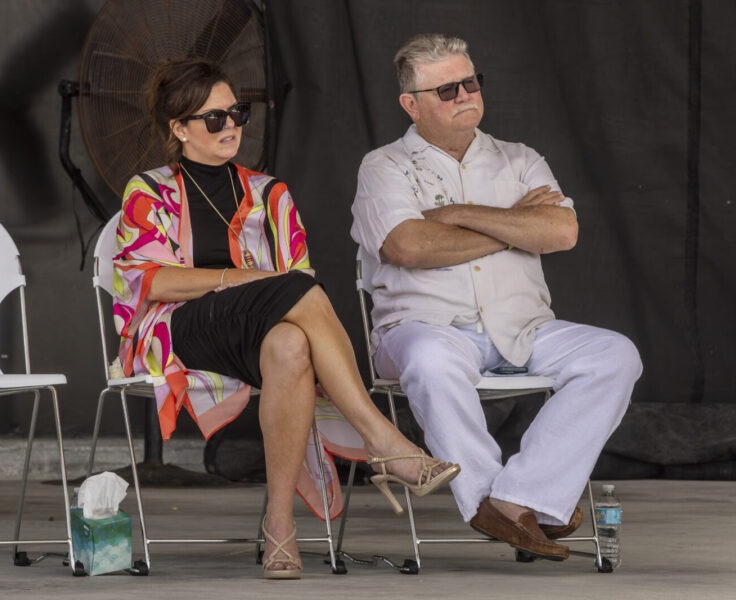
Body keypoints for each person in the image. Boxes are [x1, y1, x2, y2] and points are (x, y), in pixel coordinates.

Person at [112, 57, 459, 580]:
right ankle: (382, 439)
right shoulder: (149, 191)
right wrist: (239, 279)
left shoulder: (269, 193)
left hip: (256, 334)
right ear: (179, 129)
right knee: (298, 288)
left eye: (236, 113)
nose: (230, 126)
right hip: (178, 331)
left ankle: (279, 525)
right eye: (213, 119)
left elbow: (294, 290)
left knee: (292, 345)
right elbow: (150, 281)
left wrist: (262, 287)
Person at [351, 33, 642, 561]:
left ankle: (514, 500)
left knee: (615, 354)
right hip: (422, 327)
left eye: (470, 82)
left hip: (522, 327)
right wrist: (516, 224)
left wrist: (459, 213)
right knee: (432, 360)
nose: (465, 95)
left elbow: (562, 233)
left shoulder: (520, 159)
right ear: (411, 105)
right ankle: (500, 501)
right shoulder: (385, 166)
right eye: (446, 90)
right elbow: (409, 245)